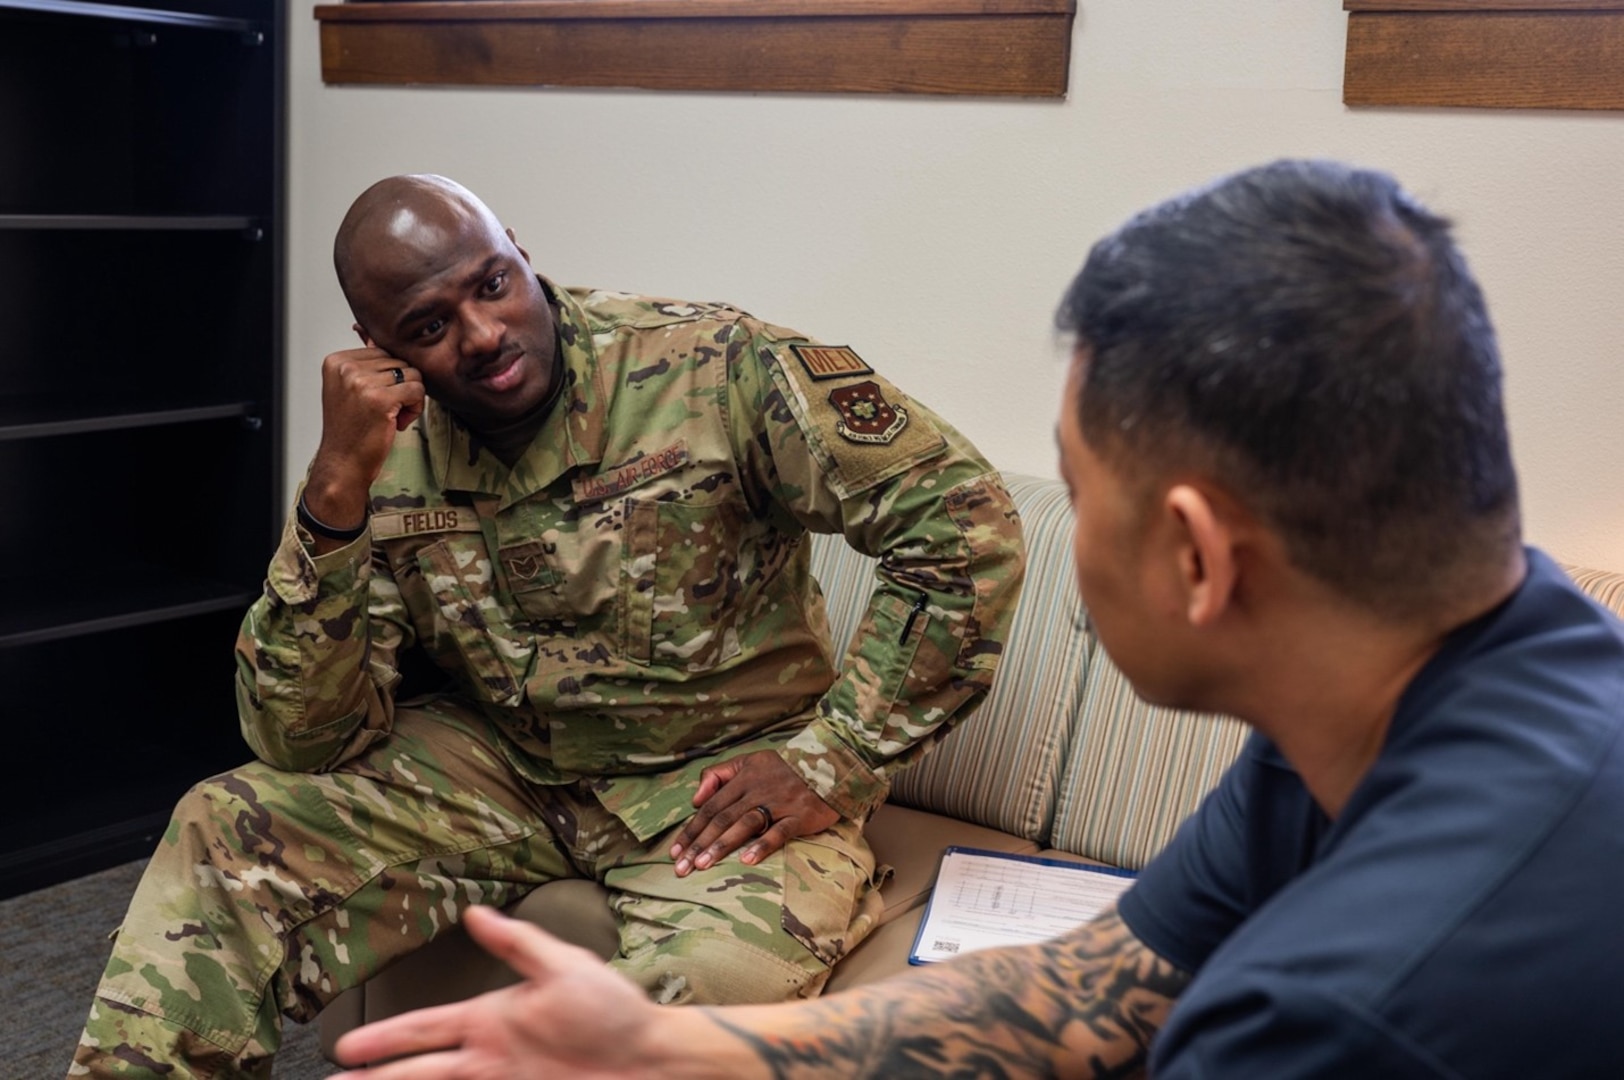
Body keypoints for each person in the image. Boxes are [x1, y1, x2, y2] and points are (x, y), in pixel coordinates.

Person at [329, 159, 1624, 1079]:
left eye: (1076, 484)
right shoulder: (1454, 675)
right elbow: (1100, 986)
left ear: (1194, 556)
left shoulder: (1335, 1019)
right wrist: (679, 1048)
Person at [70, 175, 1025, 1078]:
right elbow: (302, 737)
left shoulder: (715, 368)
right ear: (374, 342)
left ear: (520, 254)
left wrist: (836, 761)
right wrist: (332, 495)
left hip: (724, 778)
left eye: (492, 285)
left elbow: (964, 523)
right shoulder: (381, 451)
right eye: (430, 326)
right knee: (226, 825)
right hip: (510, 769)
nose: (482, 335)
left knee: (712, 1000)